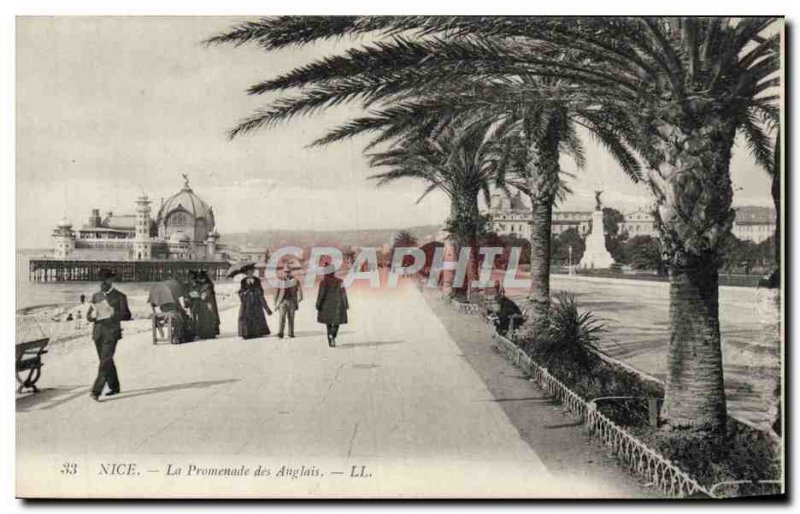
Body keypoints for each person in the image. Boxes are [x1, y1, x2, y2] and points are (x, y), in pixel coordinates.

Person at [86, 268, 131, 401]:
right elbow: (88, 315)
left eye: (105, 280)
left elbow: (127, 315)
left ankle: (96, 391)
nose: (102, 283)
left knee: (105, 361)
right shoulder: (96, 296)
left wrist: (114, 313)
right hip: (98, 333)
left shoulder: (120, 296)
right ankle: (114, 386)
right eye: (101, 280)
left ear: (111, 281)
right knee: (106, 360)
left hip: (111, 333)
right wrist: (92, 316)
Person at [316, 260, 348, 348]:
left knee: (328, 323)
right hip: (338, 305)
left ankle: (330, 338)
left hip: (326, 306)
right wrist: (346, 304)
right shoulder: (340, 281)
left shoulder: (323, 282)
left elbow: (321, 295)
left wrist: (318, 305)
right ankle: (333, 335)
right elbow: (343, 293)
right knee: (337, 322)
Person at [237, 264, 272, 339]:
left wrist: (257, 291)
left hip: (256, 301)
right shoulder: (243, 281)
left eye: (251, 272)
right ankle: (247, 333)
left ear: (253, 272)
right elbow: (241, 291)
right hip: (247, 302)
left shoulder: (257, 280)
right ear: (246, 273)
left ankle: (257, 332)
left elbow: (261, 290)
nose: (250, 273)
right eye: (248, 272)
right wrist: (245, 293)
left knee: (256, 316)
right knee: (246, 317)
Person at [189, 270, 221, 339]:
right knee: (204, 319)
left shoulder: (208, 285)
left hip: (208, 304)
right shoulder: (202, 285)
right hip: (203, 305)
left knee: (208, 319)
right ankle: (203, 332)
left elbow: (206, 295)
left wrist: (199, 295)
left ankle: (209, 333)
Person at [274, 266, 303, 338]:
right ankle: (280, 333)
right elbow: (276, 292)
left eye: (288, 272)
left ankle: (291, 333)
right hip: (282, 302)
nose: (287, 273)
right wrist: (275, 302)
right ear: (283, 272)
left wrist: (300, 297)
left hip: (292, 301)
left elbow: (299, 289)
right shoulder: (280, 280)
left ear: (290, 272)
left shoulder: (295, 280)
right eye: (285, 272)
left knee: (291, 318)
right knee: (282, 318)